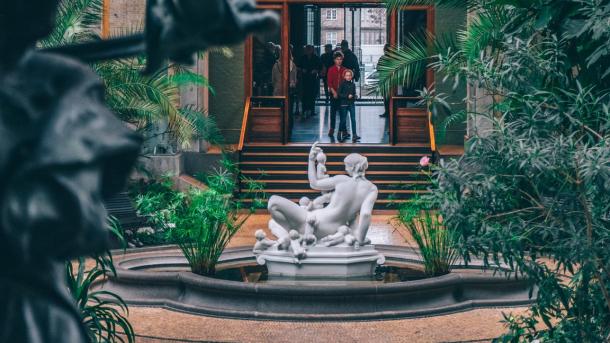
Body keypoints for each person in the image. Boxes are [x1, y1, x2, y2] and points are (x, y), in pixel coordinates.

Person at [326, 51, 347, 139]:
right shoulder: (331, 69)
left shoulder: (344, 70)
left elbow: (346, 82)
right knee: (333, 112)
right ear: (334, 60)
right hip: (333, 94)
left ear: (342, 60)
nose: (339, 61)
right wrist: (334, 92)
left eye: (340, 59)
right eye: (337, 59)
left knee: (343, 113)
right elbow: (329, 83)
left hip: (342, 95)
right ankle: (332, 128)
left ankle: (343, 129)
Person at [298, 45, 321, 117]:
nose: (308, 51)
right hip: (305, 78)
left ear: (312, 50)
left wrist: (316, 70)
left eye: (310, 49)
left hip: (313, 78)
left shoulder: (316, 58)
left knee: (312, 94)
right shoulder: (303, 58)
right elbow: (298, 66)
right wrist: (302, 70)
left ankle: (312, 110)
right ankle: (304, 109)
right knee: (304, 94)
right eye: (307, 49)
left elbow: (320, 67)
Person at [338, 69, 361, 142]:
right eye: (347, 75)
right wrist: (347, 96)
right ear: (344, 76)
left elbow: (353, 94)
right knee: (343, 120)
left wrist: (355, 96)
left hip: (351, 104)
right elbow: (339, 94)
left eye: (350, 75)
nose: (348, 77)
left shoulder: (353, 84)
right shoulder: (342, 84)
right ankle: (339, 133)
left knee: (353, 119)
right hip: (344, 104)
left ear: (351, 76)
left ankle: (354, 135)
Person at [378, 43, 391, 117]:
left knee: (386, 98)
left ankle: (387, 112)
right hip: (387, 81)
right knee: (387, 98)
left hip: (385, 80)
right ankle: (388, 112)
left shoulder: (383, 58)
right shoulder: (393, 58)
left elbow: (378, 68)